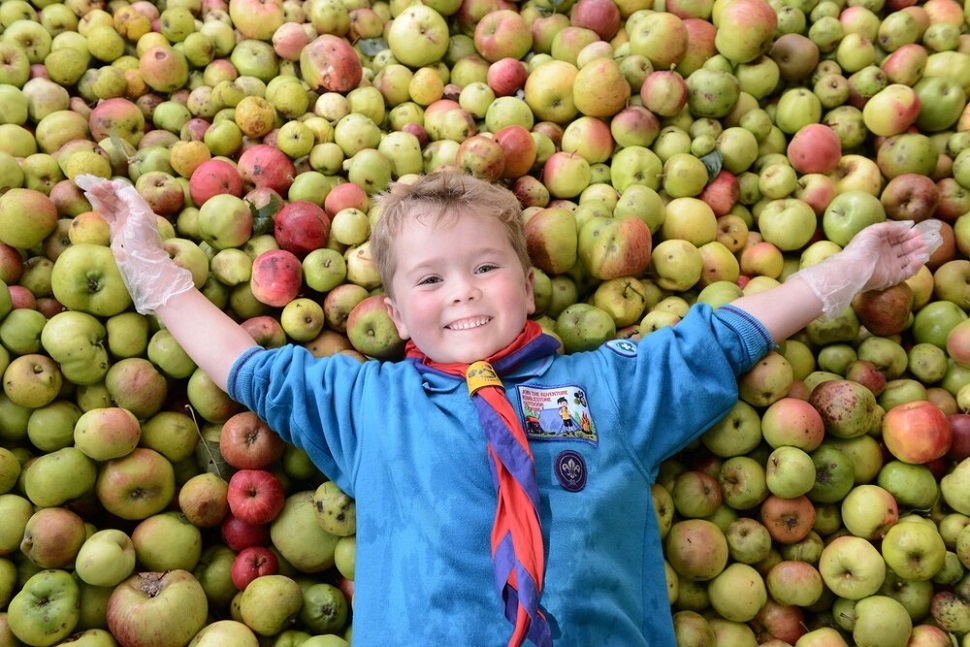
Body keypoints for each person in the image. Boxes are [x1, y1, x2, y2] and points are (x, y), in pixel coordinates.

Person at [76, 171, 941, 647]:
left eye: (487, 266)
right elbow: (249, 369)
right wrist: (152, 268)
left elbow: (718, 340)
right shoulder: (365, 403)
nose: (463, 293)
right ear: (392, 306)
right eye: (429, 278)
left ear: (529, 282)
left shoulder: (606, 388)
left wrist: (844, 273)